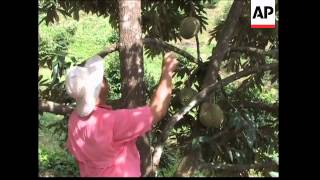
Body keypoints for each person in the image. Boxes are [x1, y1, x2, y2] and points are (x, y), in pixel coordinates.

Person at [65, 52, 179, 177]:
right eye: (102, 78)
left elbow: (78, 158)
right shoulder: (111, 122)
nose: (105, 78)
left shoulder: (74, 119)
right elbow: (157, 111)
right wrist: (168, 70)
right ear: (99, 89)